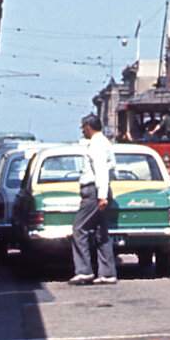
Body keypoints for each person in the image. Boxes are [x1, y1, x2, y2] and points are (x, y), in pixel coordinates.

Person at [72, 114, 118, 284]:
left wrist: (101, 196)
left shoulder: (96, 145)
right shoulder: (105, 142)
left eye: (83, 127)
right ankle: (107, 272)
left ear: (88, 127)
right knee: (101, 232)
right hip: (100, 190)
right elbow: (111, 169)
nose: (83, 131)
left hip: (94, 191)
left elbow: (101, 171)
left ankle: (84, 270)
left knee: (79, 229)